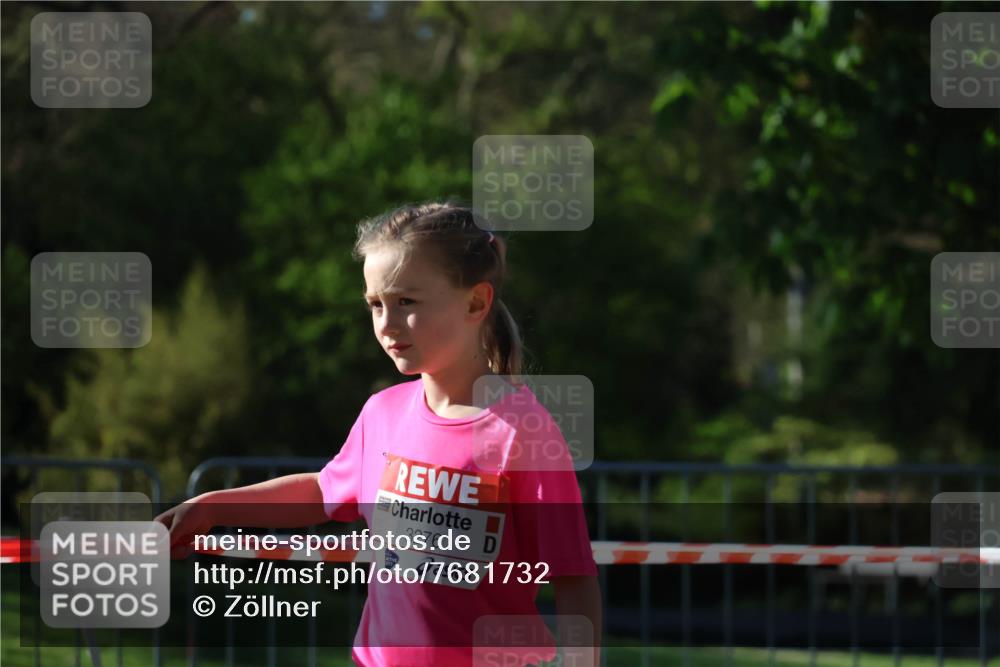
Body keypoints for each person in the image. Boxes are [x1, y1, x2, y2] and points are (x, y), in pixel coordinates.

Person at [155, 201, 602, 667]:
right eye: (375, 304)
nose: (387, 324)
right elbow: (322, 493)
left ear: (475, 302)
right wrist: (211, 506)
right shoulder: (382, 413)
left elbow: (573, 578)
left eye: (407, 302)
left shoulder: (523, 433)